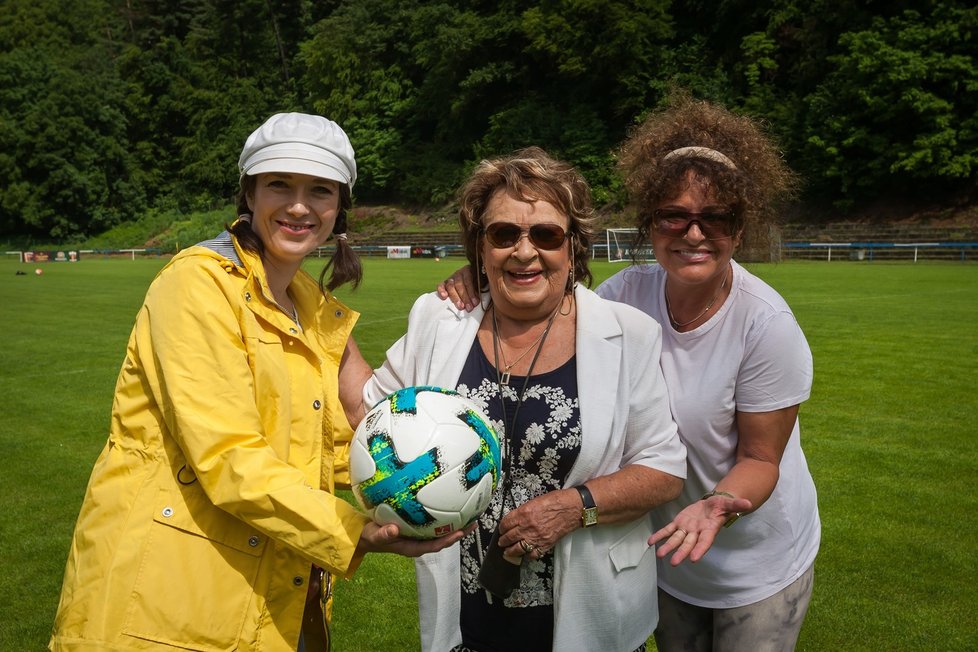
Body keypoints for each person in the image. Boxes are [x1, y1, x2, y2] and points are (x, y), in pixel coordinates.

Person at [49, 112, 463, 652]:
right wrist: (353, 530)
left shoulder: (313, 310)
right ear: (248, 193)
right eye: (279, 185)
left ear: (340, 209)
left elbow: (340, 442)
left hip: (272, 592)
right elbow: (228, 456)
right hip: (163, 600)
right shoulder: (197, 285)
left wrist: (426, 472)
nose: (298, 205)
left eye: (320, 189)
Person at [439, 95, 819, 651]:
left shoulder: (766, 326)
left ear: (739, 229)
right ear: (650, 223)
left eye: (715, 218)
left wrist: (717, 504)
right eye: (674, 216)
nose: (694, 234)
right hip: (657, 547)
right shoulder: (624, 296)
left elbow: (762, 459)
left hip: (750, 559)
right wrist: (481, 273)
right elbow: (545, 288)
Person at [363, 147, 687, 652]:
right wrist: (319, 323)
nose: (524, 250)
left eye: (545, 234)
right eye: (503, 234)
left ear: (574, 246)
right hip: (468, 613)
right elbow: (370, 415)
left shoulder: (629, 334)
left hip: (590, 610)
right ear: (480, 246)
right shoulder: (437, 320)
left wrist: (573, 507)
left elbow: (665, 469)